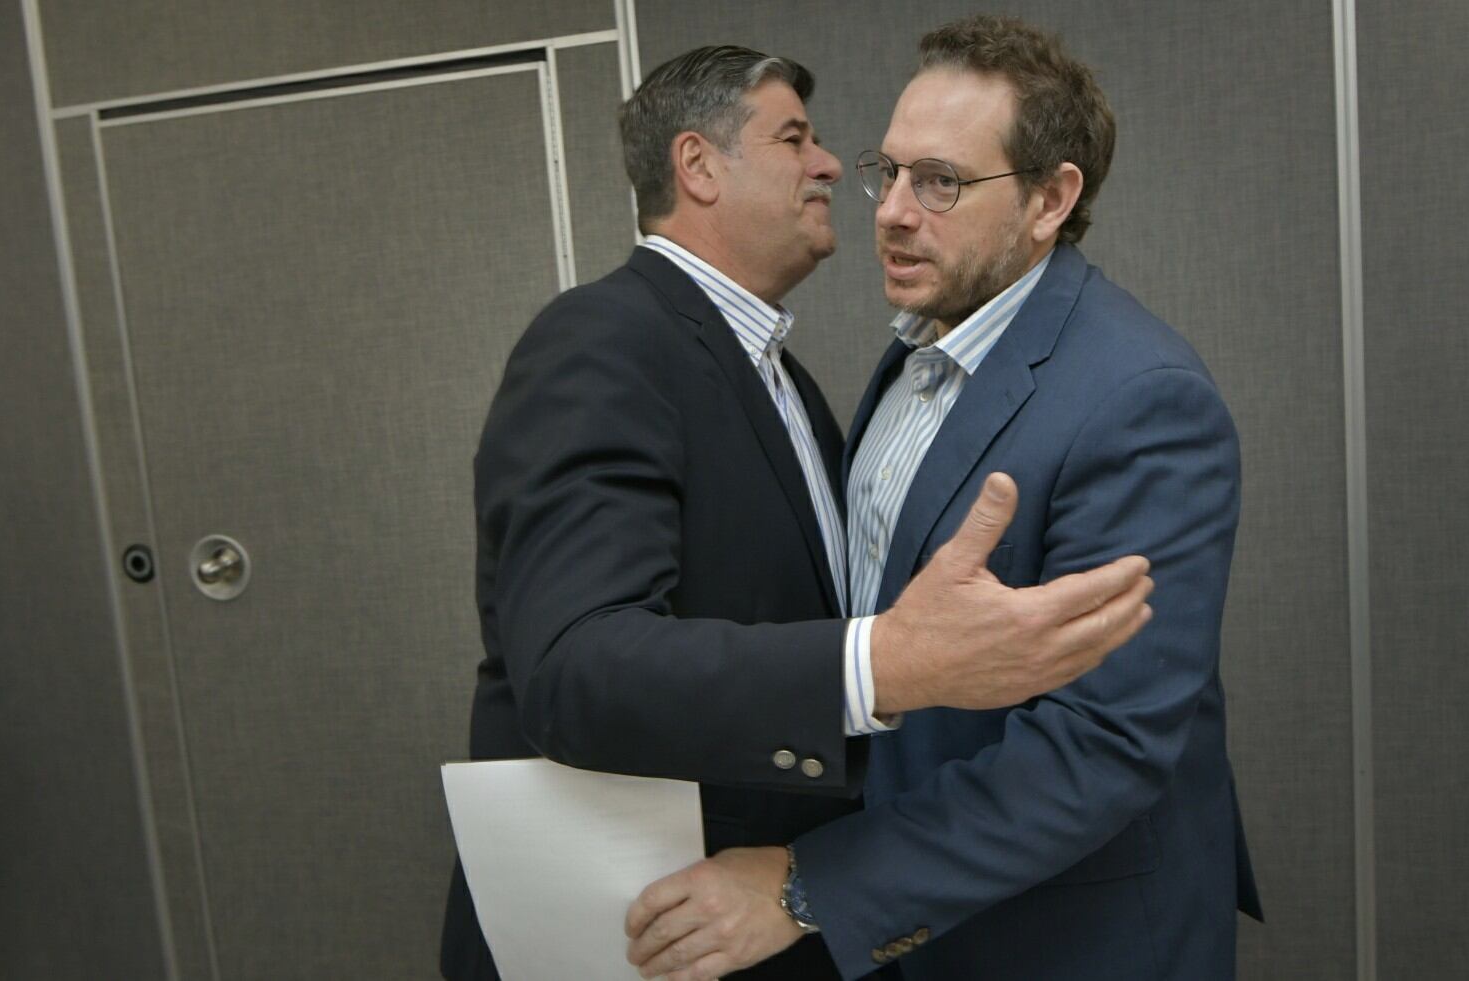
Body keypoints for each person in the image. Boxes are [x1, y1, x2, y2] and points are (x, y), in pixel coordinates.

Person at [441, 43, 1155, 981]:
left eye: (934, 178)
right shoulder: (603, 342)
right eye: (795, 138)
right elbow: (573, 667)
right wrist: (884, 662)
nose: (831, 166)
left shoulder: (787, 381)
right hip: (640, 940)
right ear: (697, 166)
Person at [625, 16, 1262, 981]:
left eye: (943, 182)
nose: (889, 210)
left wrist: (808, 886)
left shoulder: (1141, 399)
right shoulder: (924, 343)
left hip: (1067, 939)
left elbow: (1103, 746)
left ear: (1051, 200)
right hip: (923, 920)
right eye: (889, 171)